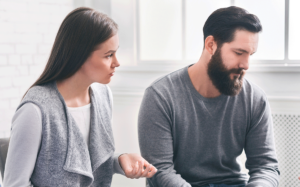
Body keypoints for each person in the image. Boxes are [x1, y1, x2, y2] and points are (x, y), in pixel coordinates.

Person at [4, 7, 157, 187]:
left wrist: (119, 162)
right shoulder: (35, 110)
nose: (117, 63)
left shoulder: (103, 96)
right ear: (80, 55)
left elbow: (86, 164)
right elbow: (15, 184)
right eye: (109, 55)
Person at [138, 6, 279, 187]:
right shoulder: (160, 96)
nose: (246, 65)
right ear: (211, 45)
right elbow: (160, 170)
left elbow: (265, 166)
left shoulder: (254, 98)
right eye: (238, 53)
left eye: (250, 55)